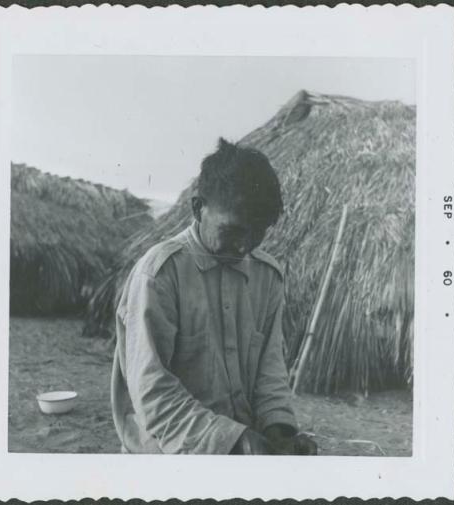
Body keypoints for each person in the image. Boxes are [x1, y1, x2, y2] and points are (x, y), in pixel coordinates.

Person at [111, 138, 317, 455]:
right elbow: (151, 391)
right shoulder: (158, 275)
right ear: (198, 208)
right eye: (232, 230)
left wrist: (279, 433)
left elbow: (270, 370)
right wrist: (232, 441)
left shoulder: (267, 276)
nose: (244, 246)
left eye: (257, 231)